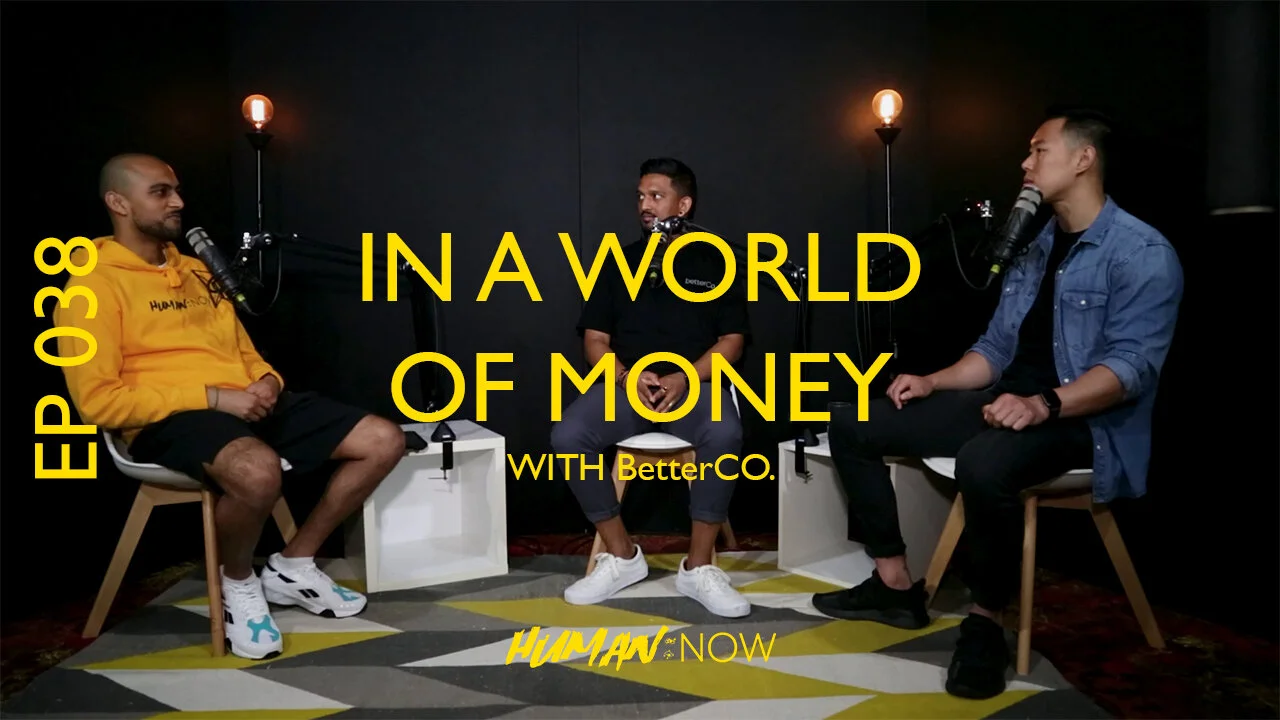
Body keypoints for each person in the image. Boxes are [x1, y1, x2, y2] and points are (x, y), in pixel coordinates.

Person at [810, 108, 1183, 699]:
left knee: (983, 463)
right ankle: (895, 583)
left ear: (1083, 159)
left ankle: (985, 622)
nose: (1025, 162)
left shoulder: (1141, 251)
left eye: (1039, 150)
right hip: (1008, 402)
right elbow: (994, 350)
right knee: (852, 422)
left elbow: (1129, 371)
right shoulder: (1035, 247)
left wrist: (1043, 405)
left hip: (1086, 422)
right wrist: (932, 381)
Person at [53, 154, 407, 660]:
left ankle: (293, 565)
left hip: (242, 402)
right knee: (258, 472)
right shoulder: (90, 287)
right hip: (167, 419)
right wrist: (215, 398)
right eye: (160, 192)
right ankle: (238, 582)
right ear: (118, 203)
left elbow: (244, 353)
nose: (178, 202)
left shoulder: (198, 271)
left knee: (384, 440)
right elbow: (98, 404)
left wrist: (267, 381)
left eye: (177, 190)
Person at [552, 158, 752, 617]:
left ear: (684, 205)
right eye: (641, 196)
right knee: (568, 435)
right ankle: (623, 557)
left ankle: (698, 567)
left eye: (657, 196)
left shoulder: (715, 261)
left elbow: (732, 342)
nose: (645, 205)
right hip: (628, 385)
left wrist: (686, 376)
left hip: (694, 384)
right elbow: (595, 341)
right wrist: (628, 376)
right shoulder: (619, 261)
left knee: (724, 433)